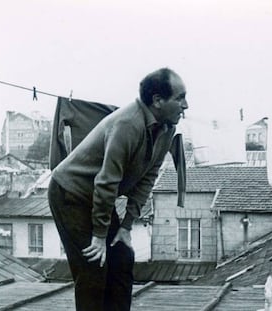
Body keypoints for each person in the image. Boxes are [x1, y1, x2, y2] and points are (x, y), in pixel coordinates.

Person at [48, 68, 188, 311]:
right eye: (179, 98)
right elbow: (106, 182)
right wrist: (100, 236)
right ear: (157, 100)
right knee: (94, 267)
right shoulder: (127, 124)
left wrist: (125, 227)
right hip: (69, 193)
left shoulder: (166, 129)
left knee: (122, 258)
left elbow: (148, 178)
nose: (185, 105)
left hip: (97, 197)